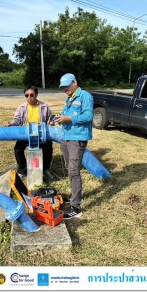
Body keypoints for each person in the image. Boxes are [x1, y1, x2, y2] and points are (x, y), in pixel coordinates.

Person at [54, 73, 94, 220]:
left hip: (77, 139)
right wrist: (59, 118)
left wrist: (69, 118)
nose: (65, 89)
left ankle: (76, 207)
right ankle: (74, 196)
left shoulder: (85, 96)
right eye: (63, 87)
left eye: (67, 85)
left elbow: (89, 116)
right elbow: (65, 115)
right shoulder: (68, 98)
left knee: (73, 170)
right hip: (67, 138)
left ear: (75, 83)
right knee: (69, 168)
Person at [4, 85, 55, 180]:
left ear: (36, 95)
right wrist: (11, 124)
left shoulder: (44, 106)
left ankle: (45, 169)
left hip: (40, 133)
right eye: (26, 95)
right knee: (18, 149)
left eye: (31, 95)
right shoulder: (22, 108)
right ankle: (23, 170)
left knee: (48, 148)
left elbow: (49, 119)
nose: (29, 98)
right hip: (26, 134)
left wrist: (51, 123)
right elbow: (17, 120)